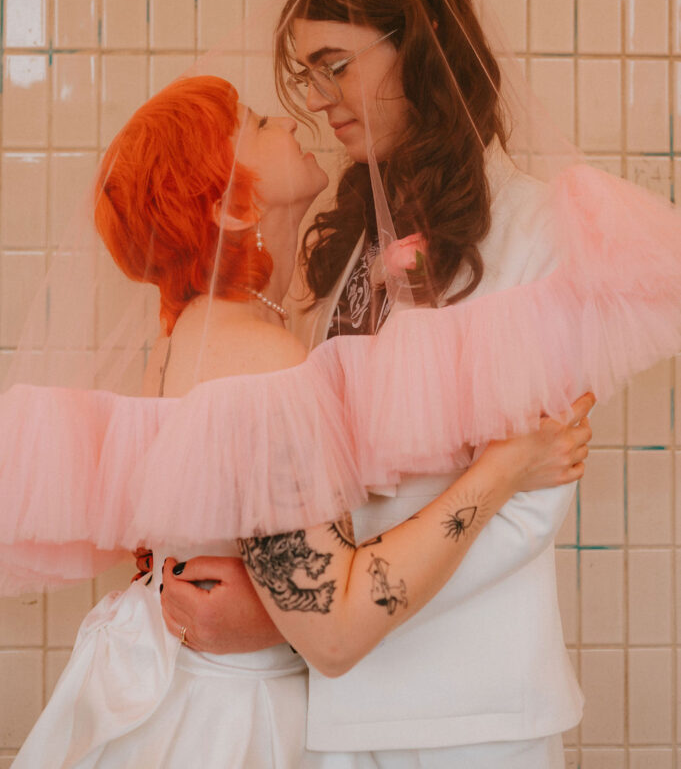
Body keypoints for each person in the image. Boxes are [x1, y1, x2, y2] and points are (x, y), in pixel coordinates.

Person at [155, 0, 681, 768]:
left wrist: (308, 617)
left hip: (467, 711)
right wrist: (303, 615)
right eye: (308, 75)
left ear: (423, 46)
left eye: (337, 64)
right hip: (328, 700)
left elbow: (529, 493)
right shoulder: (348, 242)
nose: (321, 99)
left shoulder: (541, 231)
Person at [10, 75, 591, 769]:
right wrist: (506, 467)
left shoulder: (201, 334)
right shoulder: (259, 358)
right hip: (235, 725)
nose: (289, 118)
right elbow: (337, 628)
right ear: (229, 207)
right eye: (256, 123)